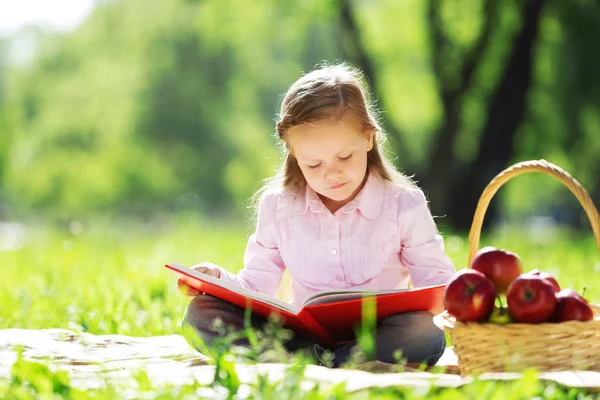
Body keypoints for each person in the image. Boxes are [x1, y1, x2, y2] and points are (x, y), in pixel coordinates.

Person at [179, 63, 456, 367]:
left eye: (344, 156)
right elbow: (257, 287)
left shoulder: (404, 205)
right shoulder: (278, 207)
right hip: (300, 335)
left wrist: (455, 299)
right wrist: (218, 280)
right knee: (200, 314)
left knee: (425, 332)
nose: (331, 173)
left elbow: (437, 283)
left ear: (368, 138)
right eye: (313, 164)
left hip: (380, 335)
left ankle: (300, 364)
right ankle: (323, 362)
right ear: (294, 155)